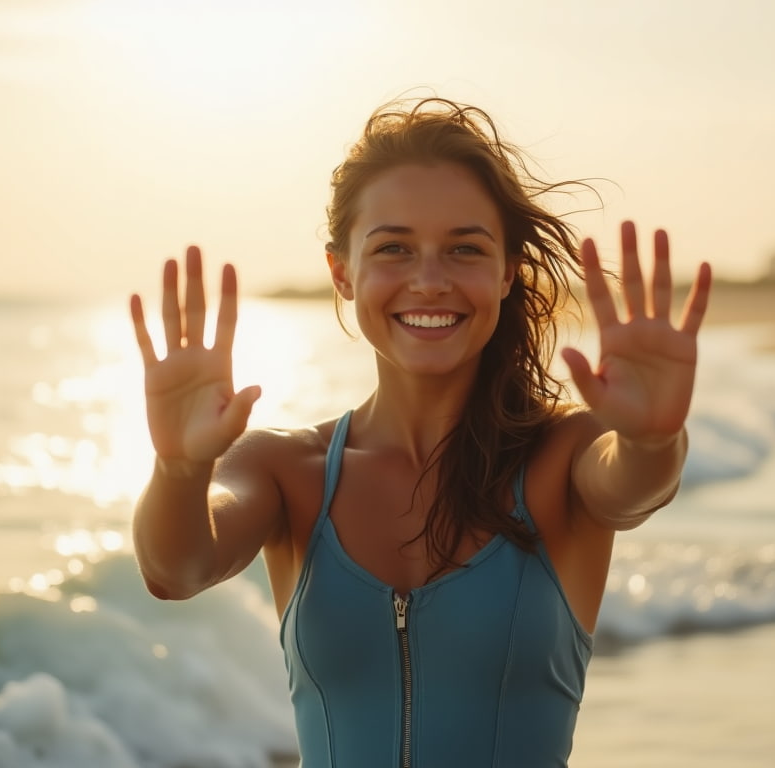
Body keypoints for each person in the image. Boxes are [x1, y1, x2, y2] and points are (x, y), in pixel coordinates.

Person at [129, 97, 711, 768]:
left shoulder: (562, 457)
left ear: (506, 271)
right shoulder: (284, 469)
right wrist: (178, 469)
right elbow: (174, 568)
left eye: (465, 249)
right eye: (394, 249)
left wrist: (651, 439)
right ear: (342, 273)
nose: (429, 281)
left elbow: (633, 486)